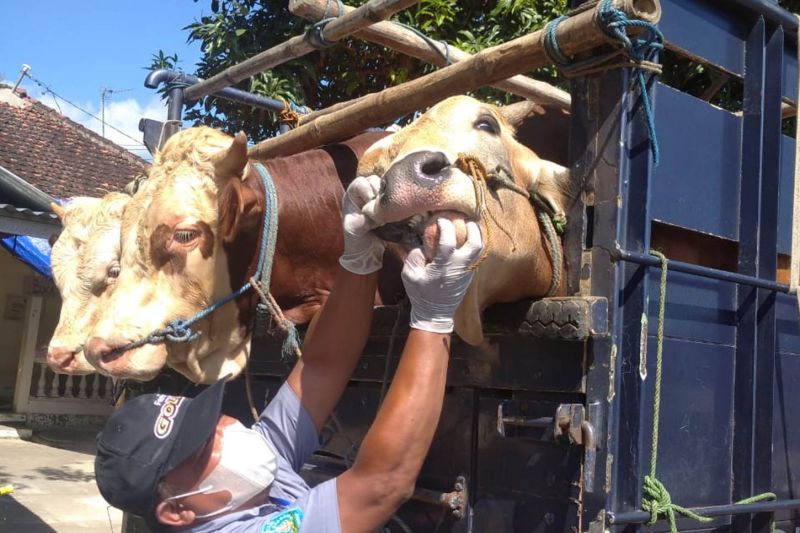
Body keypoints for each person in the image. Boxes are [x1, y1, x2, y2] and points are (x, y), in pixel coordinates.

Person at [94, 175, 483, 532]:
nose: (227, 433)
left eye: (209, 421)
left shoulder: (244, 478)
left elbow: (319, 369)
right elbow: (380, 486)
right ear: (177, 511)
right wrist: (433, 318)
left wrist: (358, 258)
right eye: (202, 449)